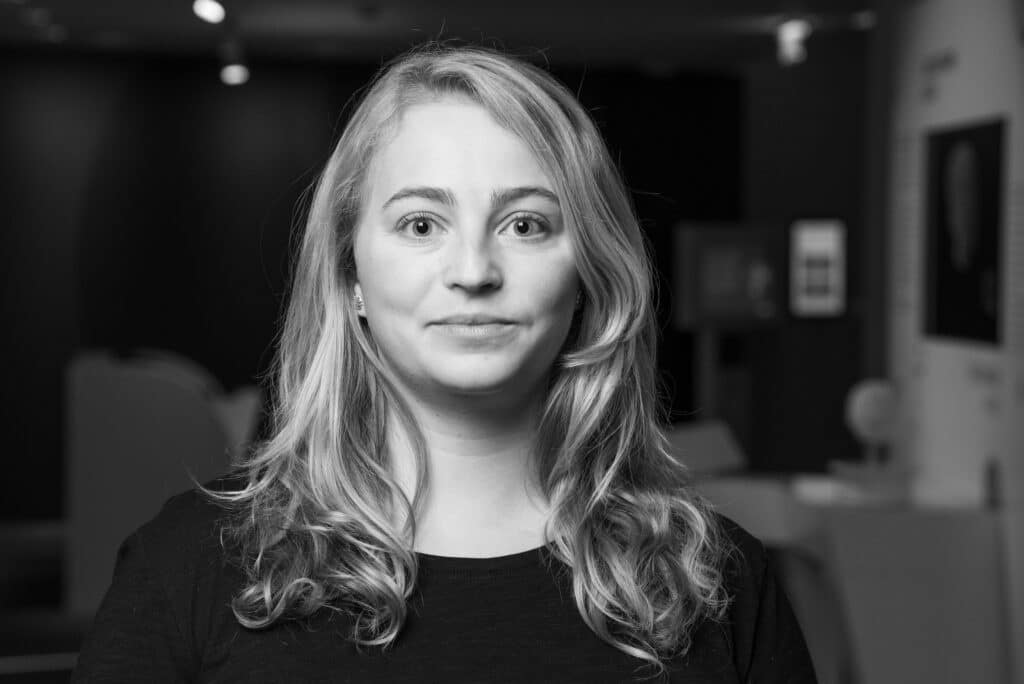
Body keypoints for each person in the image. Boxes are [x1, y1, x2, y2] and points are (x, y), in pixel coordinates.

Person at [72, 44, 816, 683]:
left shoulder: (717, 579)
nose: (473, 270)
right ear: (350, 274)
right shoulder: (190, 567)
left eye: (525, 224)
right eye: (422, 223)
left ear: (588, 273)